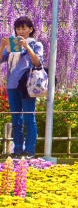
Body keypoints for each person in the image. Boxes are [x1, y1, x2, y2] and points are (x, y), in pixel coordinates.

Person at [0, 17, 44, 159]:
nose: (21, 31)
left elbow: (38, 63)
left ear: (30, 29)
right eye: (18, 29)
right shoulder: (12, 46)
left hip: (27, 86)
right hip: (12, 86)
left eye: (24, 28)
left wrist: (27, 47)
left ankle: (29, 151)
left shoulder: (36, 44)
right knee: (15, 119)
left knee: (28, 118)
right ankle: (17, 150)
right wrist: (2, 46)